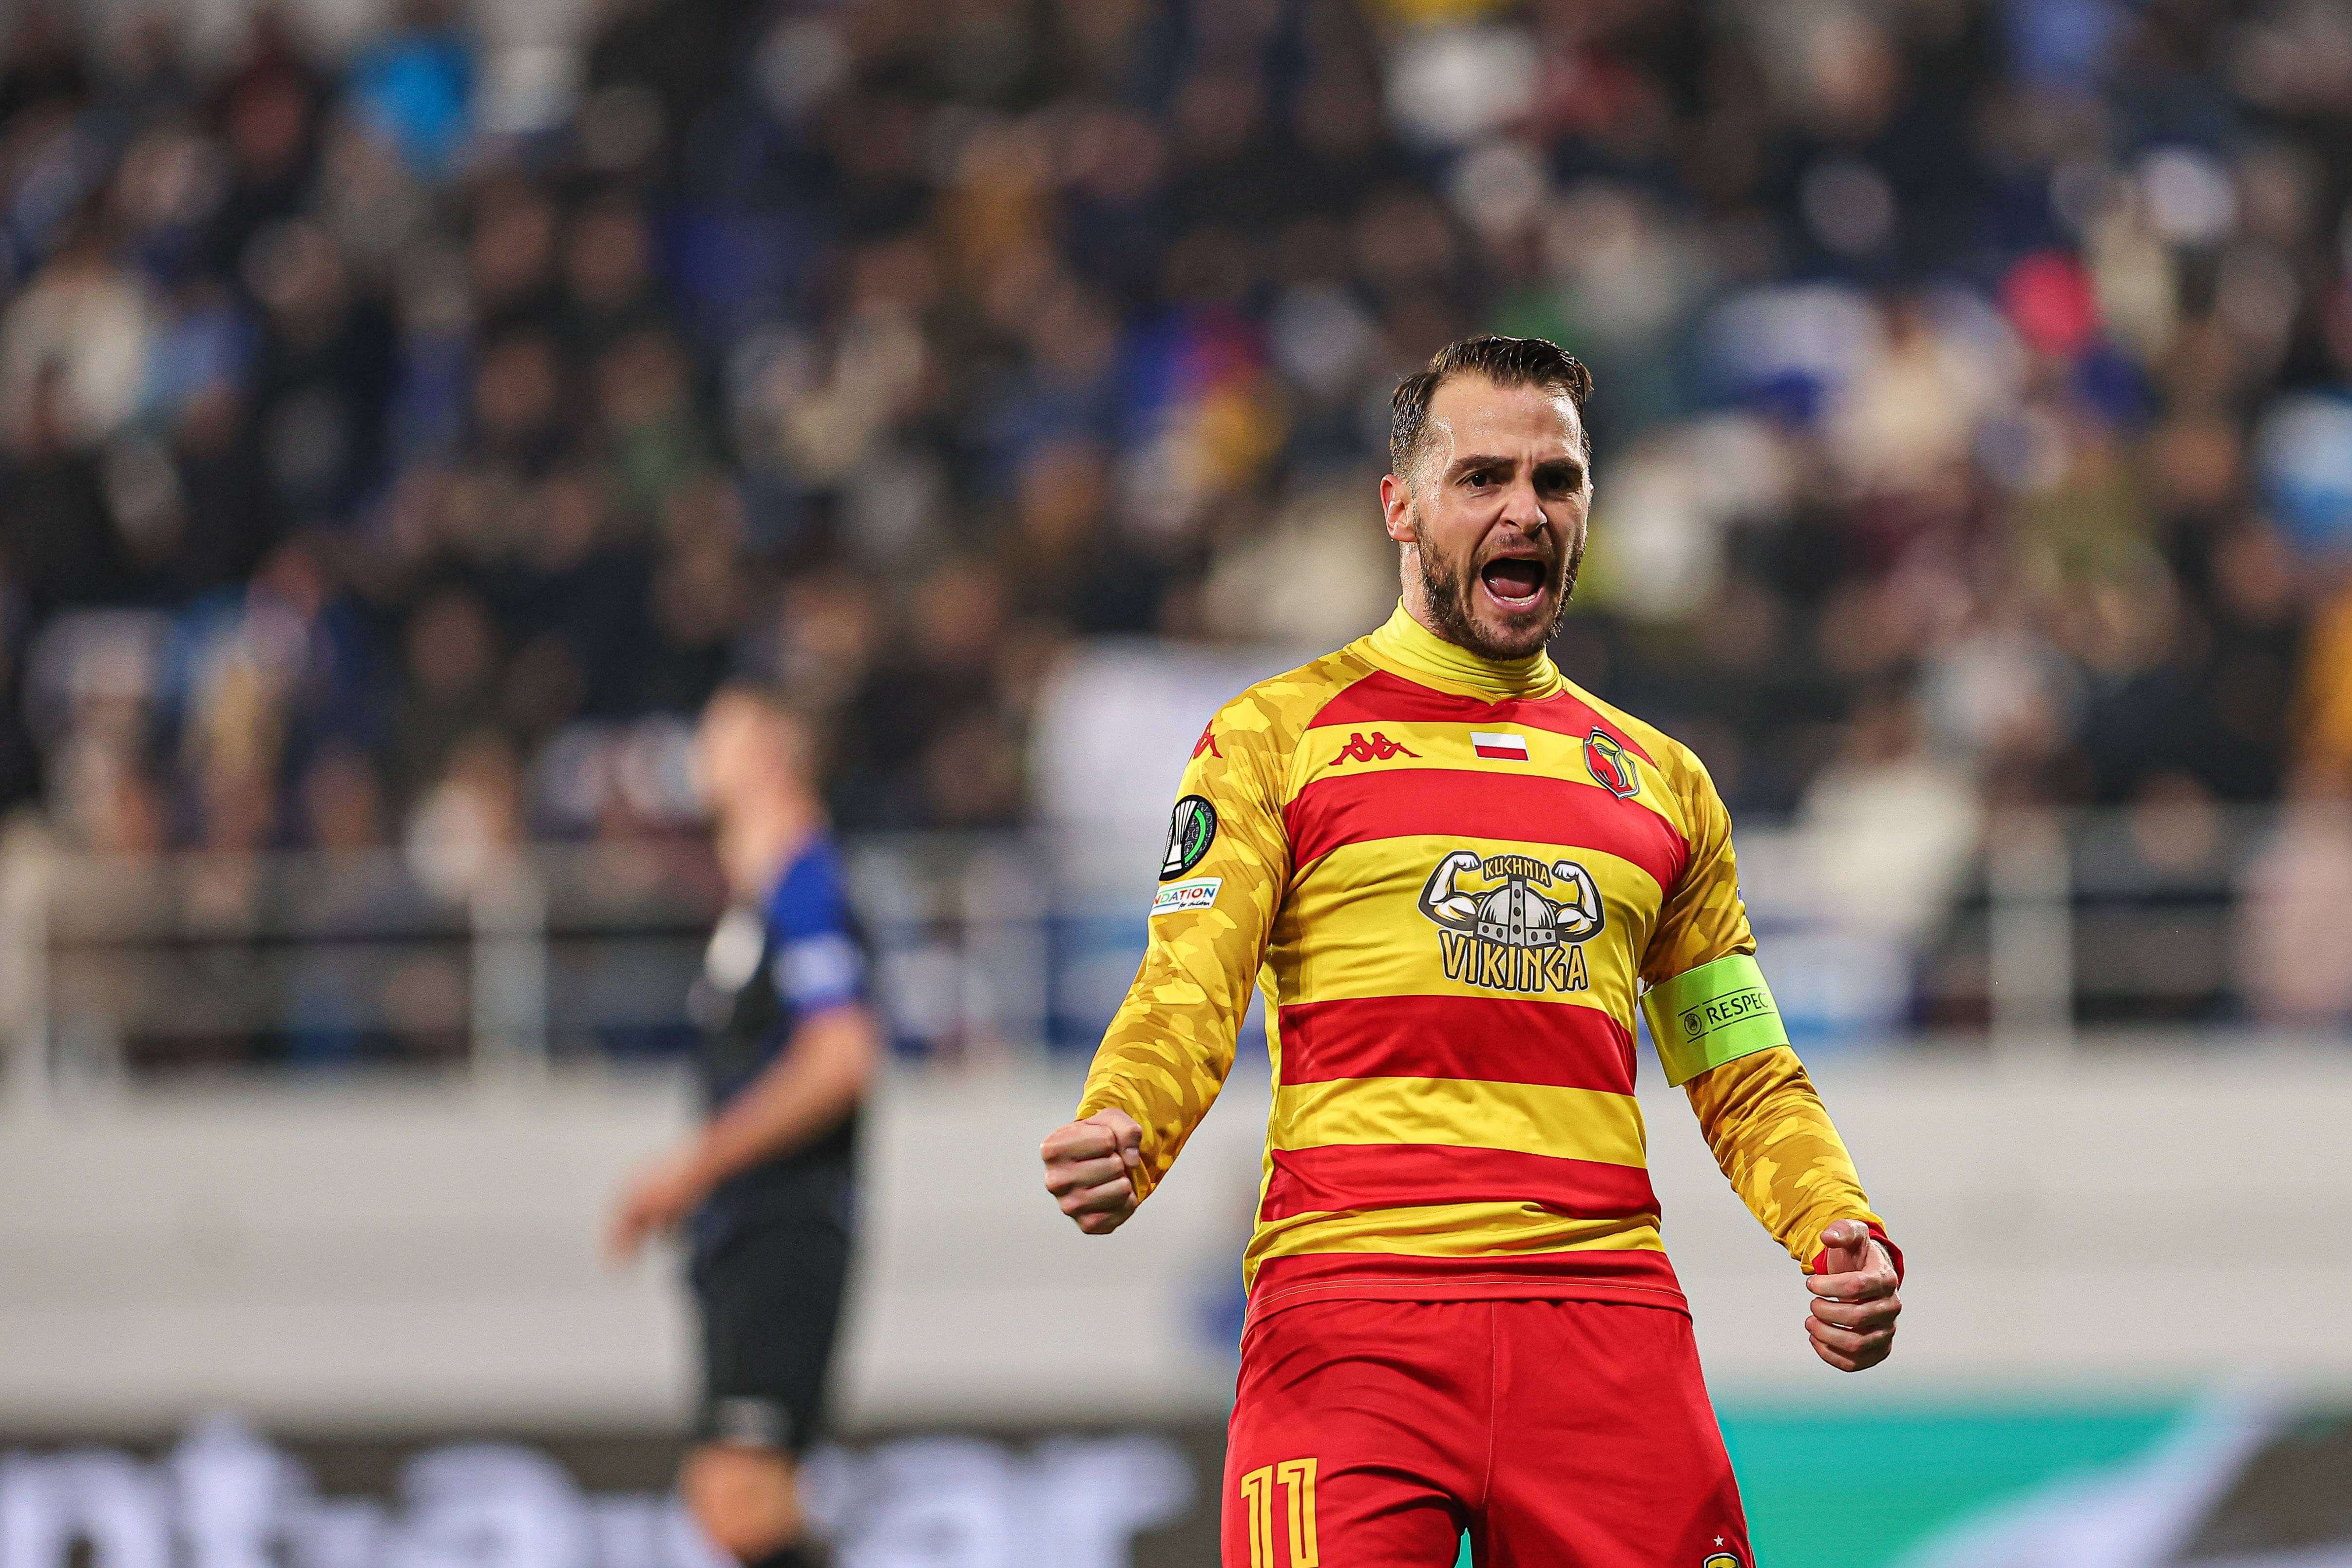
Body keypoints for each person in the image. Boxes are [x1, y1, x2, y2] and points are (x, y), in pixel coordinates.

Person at [1040, 335, 1903, 1568]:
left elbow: (1740, 1064)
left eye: (1556, 482)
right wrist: (1130, 1117)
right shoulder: (1272, 738)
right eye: (1483, 477)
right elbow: (1188, 980)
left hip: (1601, 1325)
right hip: (1351, 1318)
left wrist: (1833, 1221)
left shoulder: (1662, 784)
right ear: (1399, 506)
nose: (1525, 510)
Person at [609, 685, 879, 1568]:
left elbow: (839, 1057)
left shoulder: (806, 886)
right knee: (727, 1497)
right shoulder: (759, 903)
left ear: (769, 754)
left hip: (785, 1227)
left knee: (741, 1498)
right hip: (746, 1234)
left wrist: (694, 1167)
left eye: (717, 732)